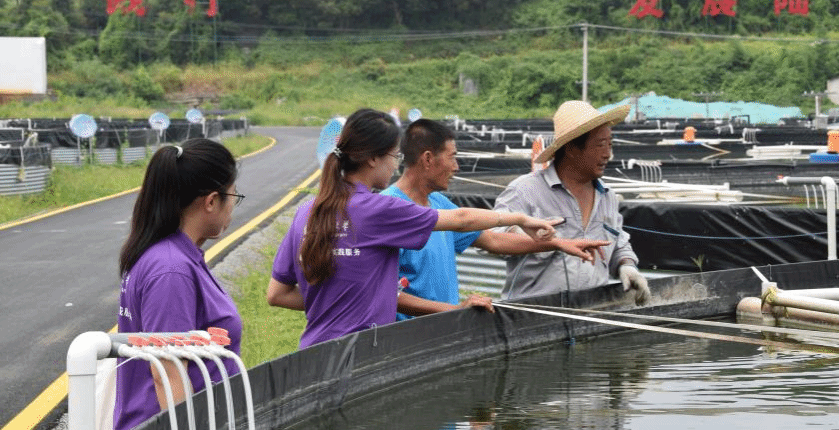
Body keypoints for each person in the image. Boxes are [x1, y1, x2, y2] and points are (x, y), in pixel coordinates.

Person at [266, 108, 560, 348]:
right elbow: (460, 219)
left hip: (312, 355)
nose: (395, 166)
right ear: (372, 158)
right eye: (393, 157)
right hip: (362, 354)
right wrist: (519, 218)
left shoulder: (307, 212)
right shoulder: (377, 209)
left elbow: (277, 294)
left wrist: (336, 303)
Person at [381, 118, 609, 319]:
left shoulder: (439, 203)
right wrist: (453, 310)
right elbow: (385, 293)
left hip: (441, 332)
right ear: (428, 159)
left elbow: (493, 240)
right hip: (405, 339)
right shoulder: (387, 210)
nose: (456, 167)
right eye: (452, 157)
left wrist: (559, 243)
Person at [114, 138, 243, 430]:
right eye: (234, 196)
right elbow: (167, 375)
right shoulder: (171, 270)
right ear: (211, 201)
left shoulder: (175, 256)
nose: (233, 207)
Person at [493, 100, 651, 305]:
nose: (607, 154)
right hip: (534, 315)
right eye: (600, 145)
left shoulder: (607, 196)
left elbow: (618, 242)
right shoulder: (526, 191)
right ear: (571, 149)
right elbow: (492, 238)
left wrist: (626, 265)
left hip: (593, 313)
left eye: (610, 144)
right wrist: (527, 236)